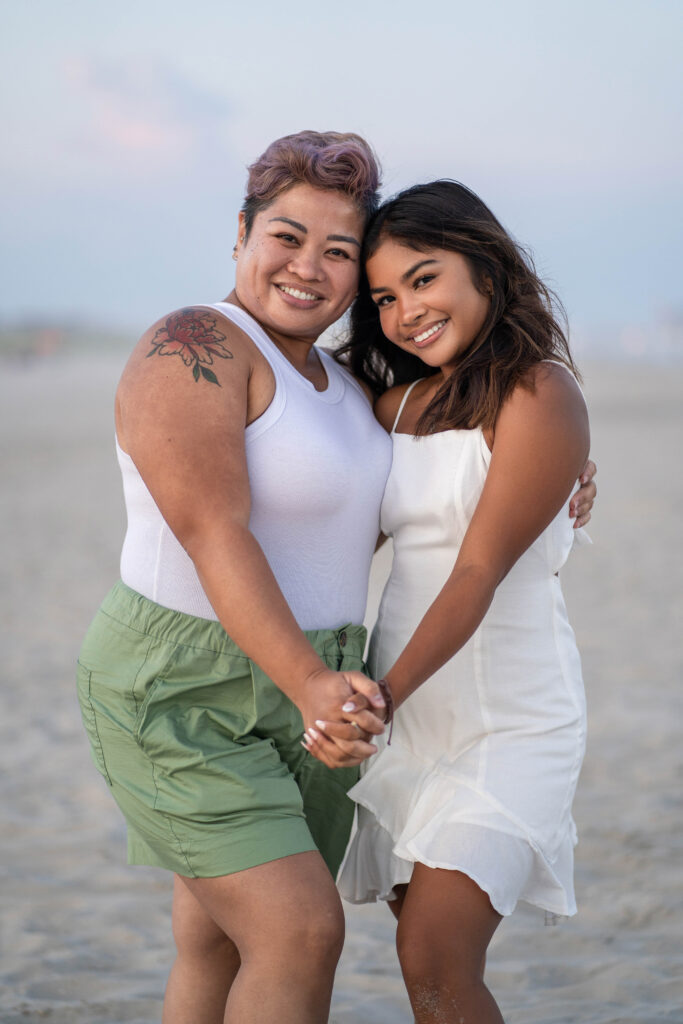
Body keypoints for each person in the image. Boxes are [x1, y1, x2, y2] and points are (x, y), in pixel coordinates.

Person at [77, 132, 596, 1024]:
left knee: (215, 937)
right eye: (284, 236)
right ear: (239, 233)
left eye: (339, 252)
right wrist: (322, 685)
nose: (307, 267)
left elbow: (462, 476)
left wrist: (567, 470)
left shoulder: (347, 387)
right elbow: (213, 531)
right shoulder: (192, 345)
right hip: (202, 687)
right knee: (298, 932)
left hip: (324, 692)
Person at [306, 180, 592, 1023]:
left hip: (509, 720)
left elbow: (474, 573)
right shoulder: (394, 410)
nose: (403, 313)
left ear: (486, 268)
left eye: (423, 280)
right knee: (424, 965)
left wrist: (380, 696)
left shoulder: (541, 393)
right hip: (408, 725)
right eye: (384, 297)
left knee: (434, 954)